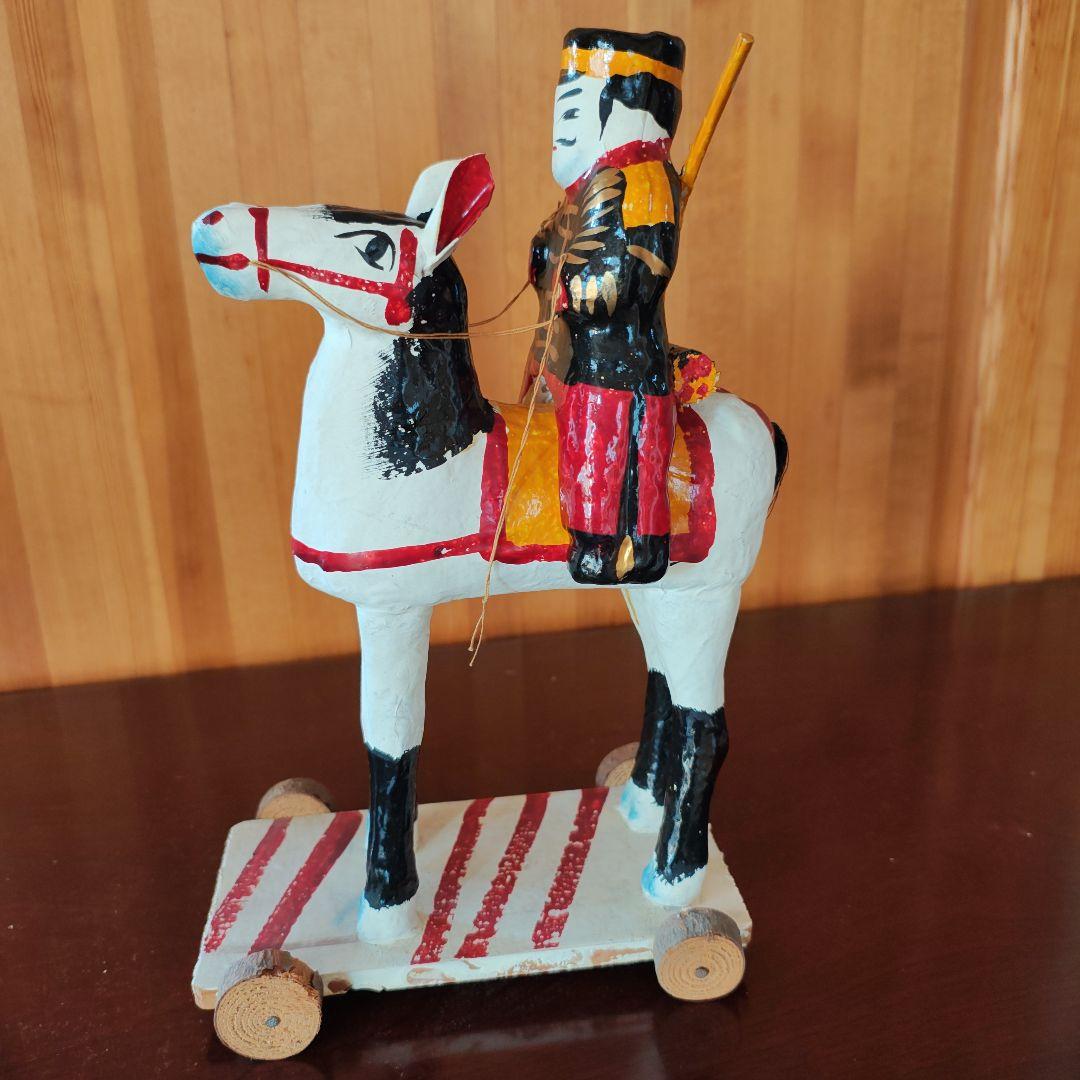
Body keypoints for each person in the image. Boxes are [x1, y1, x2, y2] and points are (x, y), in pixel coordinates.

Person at [521, 28, 685, 585]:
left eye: (574, 109)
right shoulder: (585, 188)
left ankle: (616, 544)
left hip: (617, 361)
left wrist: (578, 291)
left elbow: (639, 272)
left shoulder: (645, 182)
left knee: (606, 448)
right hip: (572, 353)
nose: (560, 128)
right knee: (578, 442)